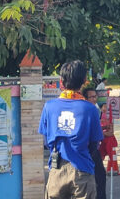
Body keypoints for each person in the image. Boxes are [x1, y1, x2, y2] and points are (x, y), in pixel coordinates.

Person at [39, 61, 103, 199]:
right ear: (84, 81)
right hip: (82, 169)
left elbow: (45, 141)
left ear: (61, 81)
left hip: (56, 170)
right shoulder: (90, 109)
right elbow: (94, 145)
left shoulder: (49, 107)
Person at [82, 88, 106, 199]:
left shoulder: (96, 109)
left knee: (100, 177)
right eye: (91, 97)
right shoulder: (85, 110)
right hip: (87, 148)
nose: (94, 99)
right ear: (85, 98)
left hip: (94, 148)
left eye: (95, 96)